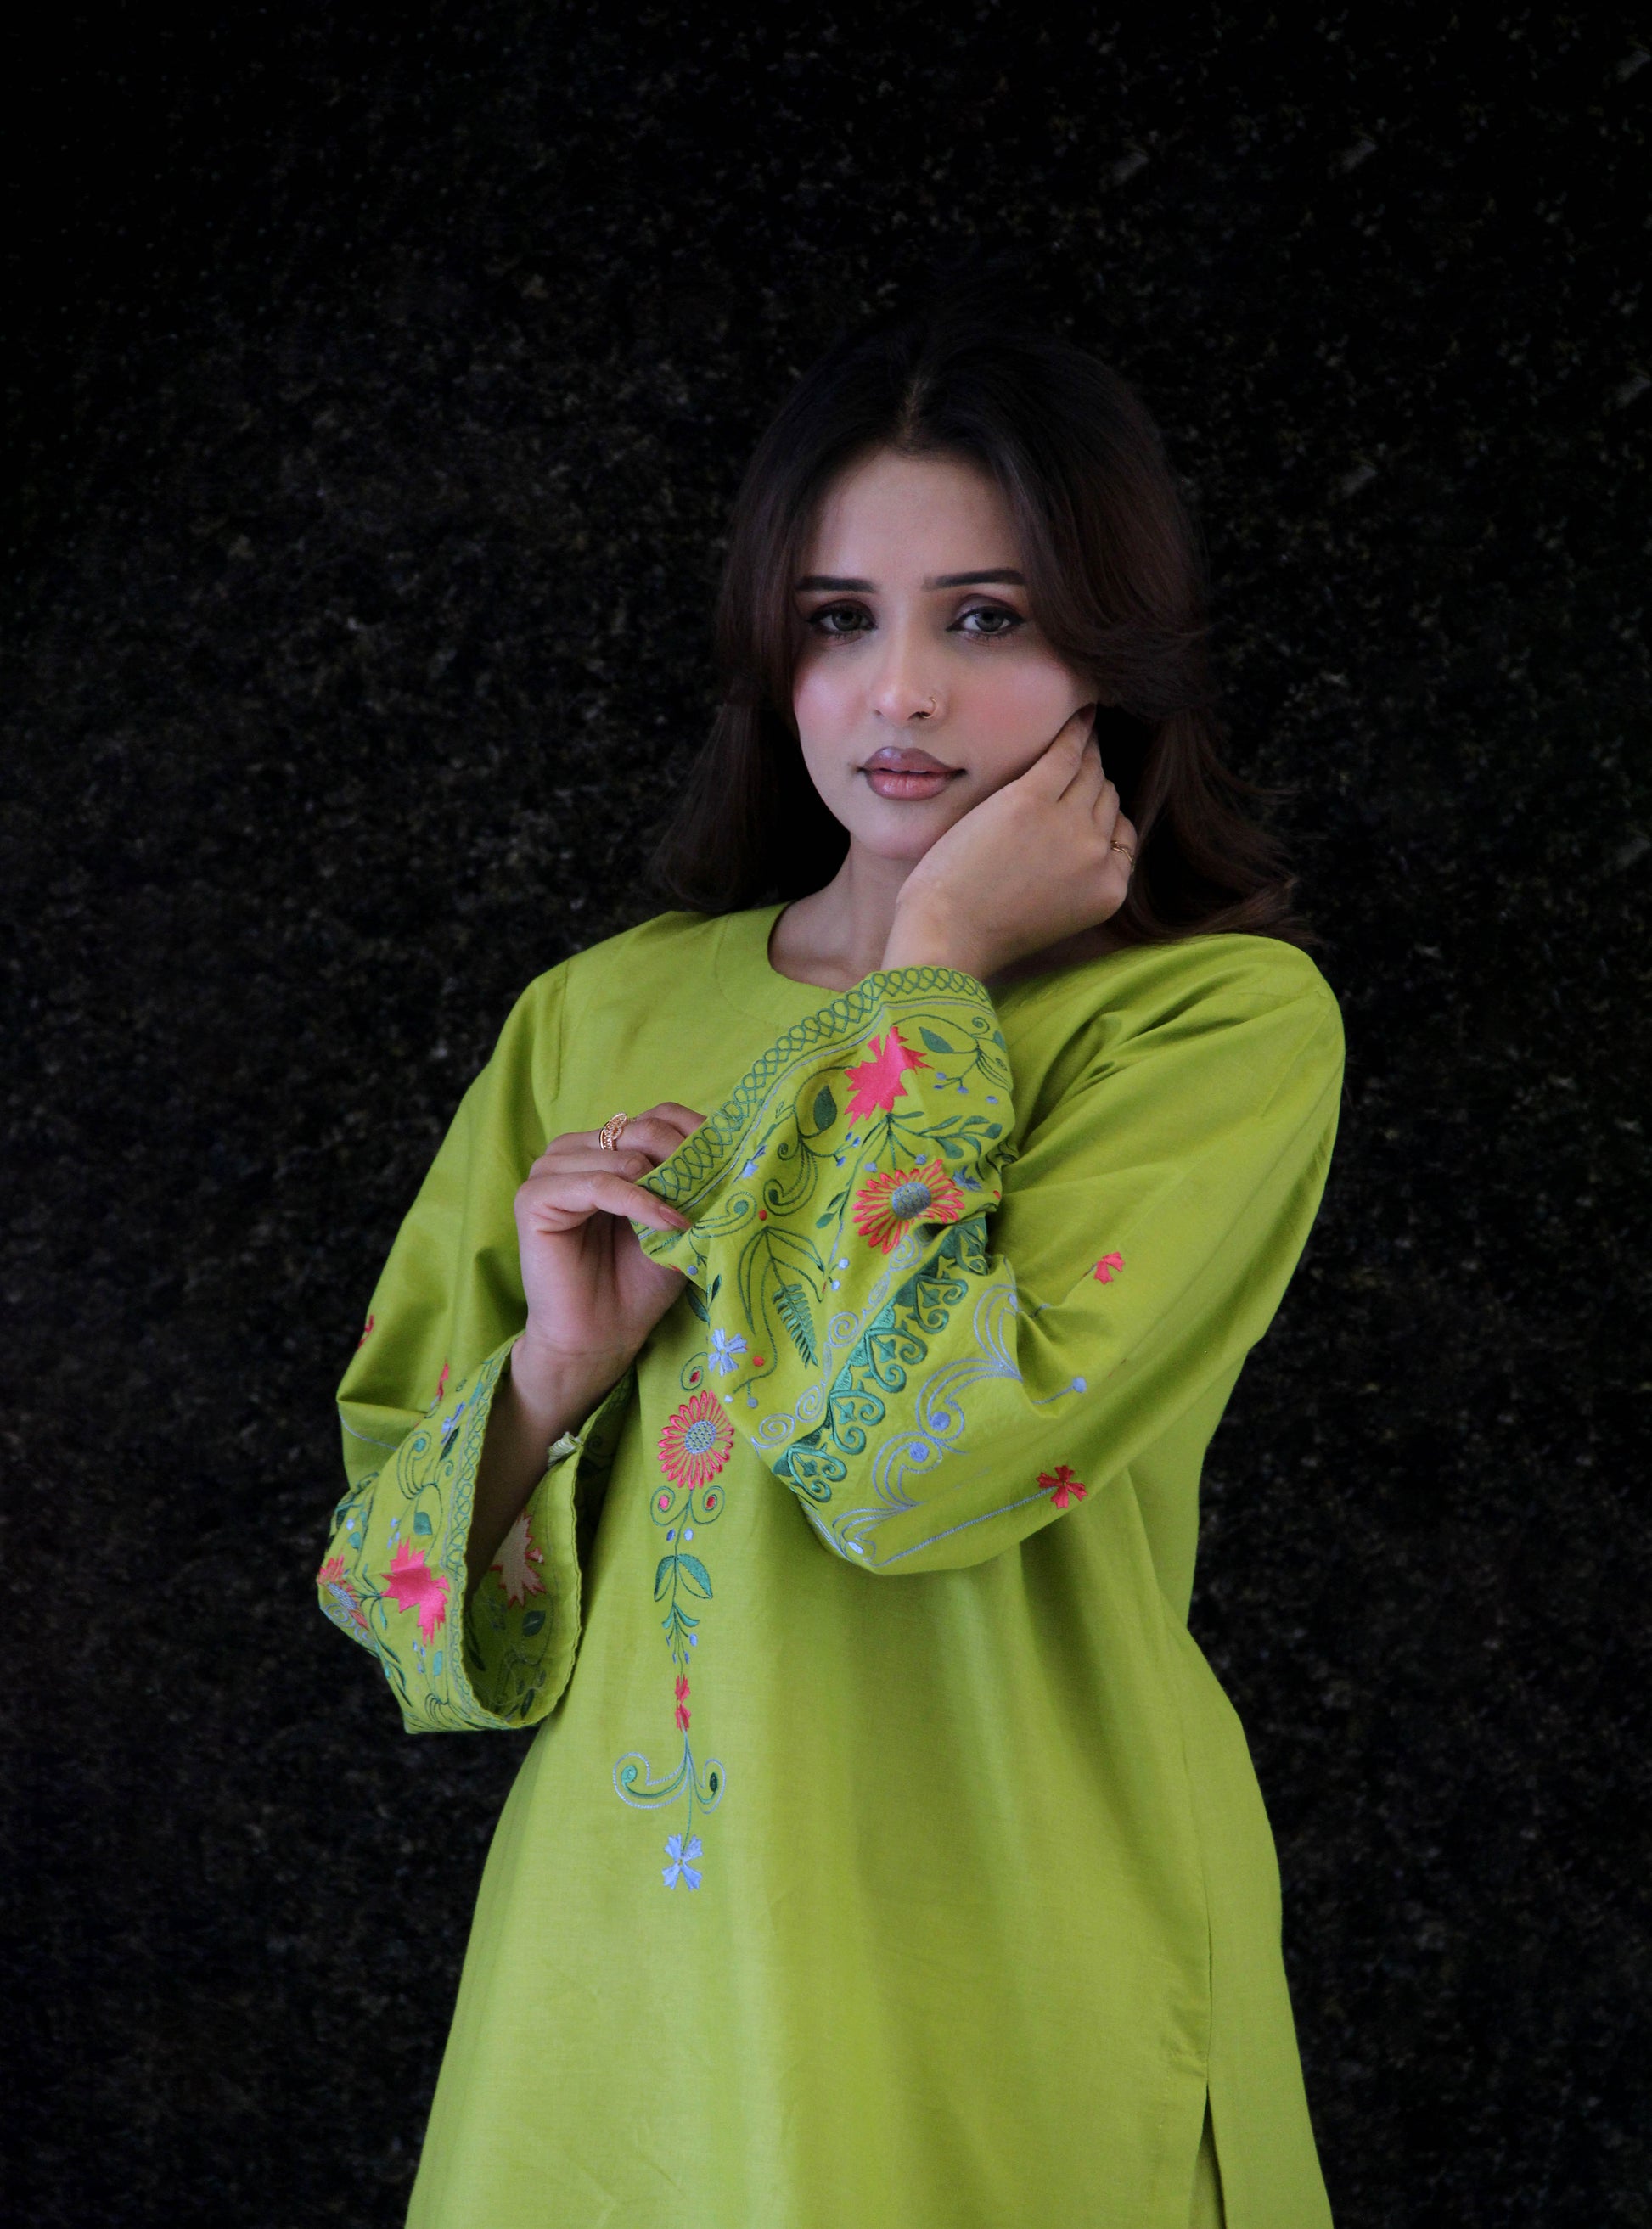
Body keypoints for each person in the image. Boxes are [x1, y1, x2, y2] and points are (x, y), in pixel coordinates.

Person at [319, 290, 1344, 2229]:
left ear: (1105, 652)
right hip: (617, 1980)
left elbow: (914, 1464)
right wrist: (554, 1375)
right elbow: (393, 1601)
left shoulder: (1211, 1028)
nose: (900, 694)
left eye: (987, 616)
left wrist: (933, 967)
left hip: (1004, 1947)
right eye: (835, 619)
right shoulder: (598, 1015)